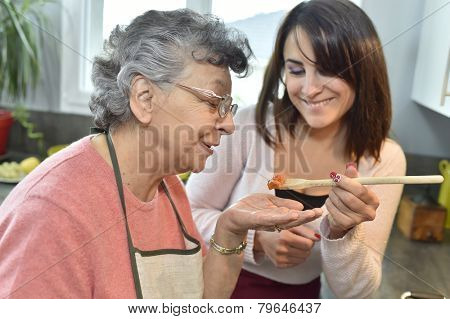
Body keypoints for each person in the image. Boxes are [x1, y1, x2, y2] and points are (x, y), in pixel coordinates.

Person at [0, 9, 323, 299]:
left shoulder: (169, 187)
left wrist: (231, 227)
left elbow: (200, 300)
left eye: (229, 107)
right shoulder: (51, 211)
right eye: (214, 103)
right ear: (144, 97)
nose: (228, 125)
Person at [186, 0, 406, 299]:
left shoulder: (384, 158)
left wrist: (342, 234)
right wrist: (256, 240)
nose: (311, 88)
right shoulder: (250, 124)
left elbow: (357, 292)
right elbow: (187, 215)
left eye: (329, 70)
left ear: (364, 70)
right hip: (213, 288)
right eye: (297, 70)